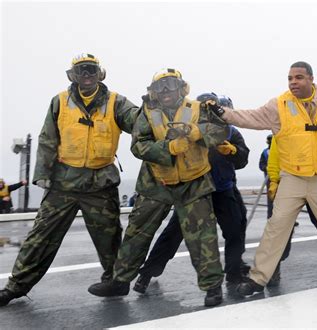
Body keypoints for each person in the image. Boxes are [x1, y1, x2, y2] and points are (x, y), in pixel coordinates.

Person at [206, 61, 317, 296]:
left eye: (299, 77)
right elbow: (250, 117)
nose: (293, 82)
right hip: (293, 176)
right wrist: (223, 113)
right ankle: (258, 278)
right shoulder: (279, 105)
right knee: (277, 225)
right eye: (290, 78)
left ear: (311, 79)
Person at [0, 53, 139, 307]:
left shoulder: (117, 102)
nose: (86, 75)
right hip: (63, 184)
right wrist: (42, 175)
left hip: (100, 185)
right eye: (81, 71)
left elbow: (138, 122)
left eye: (91, 70)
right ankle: (15, 287)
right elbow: (47, 139)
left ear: (100, 73)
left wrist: (153, 111)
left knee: (109, 239)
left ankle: (116, 282)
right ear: (73, 75)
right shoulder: (60, 102)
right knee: (41, 237)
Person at [87, 69, 228, 307]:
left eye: (170, 85)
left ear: (181, 87)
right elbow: (138, 146)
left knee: (203, 237)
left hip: (194, 182)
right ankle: (120, 281)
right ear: (153, 91)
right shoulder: (147, 113)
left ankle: (212, 287)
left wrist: (195, 133)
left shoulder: (198, 109)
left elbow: (221, 130)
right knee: (136, 234)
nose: (165, 91)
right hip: (156, 182)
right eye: (160, 86)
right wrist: (169, 148)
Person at [131, 93, 250, 294]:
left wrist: (232, 152)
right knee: (173, 234)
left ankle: (234, 273)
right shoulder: (187, 131)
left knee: (235, 231)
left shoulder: (232, 133)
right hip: (195, 191)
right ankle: (147, 273)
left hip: (223, 190)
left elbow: (242, 160)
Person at [265, 137, 317, 286]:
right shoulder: (284, 127)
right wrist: (274, 179)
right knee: (279, 227)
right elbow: (275, 155)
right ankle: (272, 267)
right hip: (289, 182)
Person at [259, 134, 273, 219]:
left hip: (282, 178)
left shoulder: (281, 150)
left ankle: (290, 221)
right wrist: (266, 168)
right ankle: (270, 216)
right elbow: (261, 165)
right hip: (269, 179)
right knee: (271, 198)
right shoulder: (265, 152)